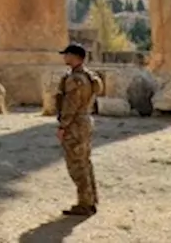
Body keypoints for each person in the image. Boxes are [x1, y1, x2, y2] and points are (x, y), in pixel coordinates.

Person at [57, 43, 102, 216]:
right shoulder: (89, 76)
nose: (64, 57)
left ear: (75, 57)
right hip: (85, 120)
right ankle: (90, 200)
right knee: (84, 161)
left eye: (66, 54)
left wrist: (63, 126)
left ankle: (84, 203)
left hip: (75, 124)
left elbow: (70, 105)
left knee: (76, 164)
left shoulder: (75, 79)